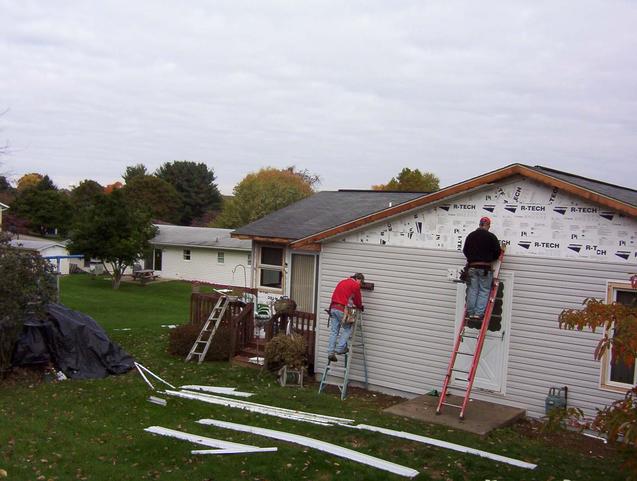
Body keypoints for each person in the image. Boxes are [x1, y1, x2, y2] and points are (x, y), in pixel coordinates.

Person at [462, 217, 501, 321]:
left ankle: (470, 313)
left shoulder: (470, 236)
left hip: (472, 267)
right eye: (489, 226)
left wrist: (473, 258)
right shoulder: (491, 236)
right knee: (484, 290)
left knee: (472, 289)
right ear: (487, 225)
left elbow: (465, 251)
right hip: (485, 268)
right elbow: (497, 253)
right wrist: (490, 258)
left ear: (479, 224)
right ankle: (478, 314)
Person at [327, 273, 364, 362]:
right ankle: (340, 348)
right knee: (348, 328)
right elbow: (357, 300)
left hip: (333, 308)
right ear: (358, 279)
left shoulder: (342, 282)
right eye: (361, 283)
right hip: (342, 309)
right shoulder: (355, 285)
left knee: (334, 331)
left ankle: (331, 352)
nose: (360, 285)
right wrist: (360, 307)